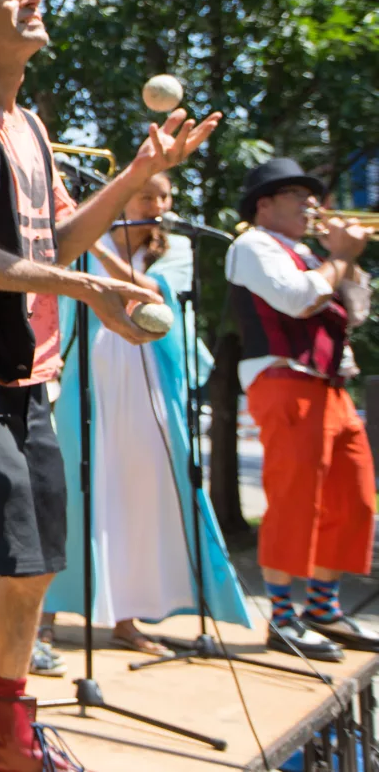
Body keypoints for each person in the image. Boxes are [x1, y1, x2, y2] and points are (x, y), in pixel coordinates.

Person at [0, 0, 220, 772]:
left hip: (29, 376)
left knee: (32, 568)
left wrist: (136, 172)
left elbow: (60, 239)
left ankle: (7, 737)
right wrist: (89, 294)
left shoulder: (29, 126)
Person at [42, 171, 253, 657]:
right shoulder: (87, 242)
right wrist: (89, 238)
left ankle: (126, 620)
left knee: (136, 501)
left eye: (164, 196)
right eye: (146, 195)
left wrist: (96, 245)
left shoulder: (176, 250)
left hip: (149, 386)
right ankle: (46, 615)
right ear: (123, 199)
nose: (157, 203)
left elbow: (150, 294)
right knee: (74, 492)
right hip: (91, 381)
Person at [226, 157, 374, 661]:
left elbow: (357, 310)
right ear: (264, 205)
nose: (312, 204)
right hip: (285, 380)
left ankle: (322, 608)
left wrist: (346, 259)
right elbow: (293, 300)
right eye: (297, 194)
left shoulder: (310, 254)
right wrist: (337, 259)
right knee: (294, 500)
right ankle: (283, 619)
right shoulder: (251, 245)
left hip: (330, 385)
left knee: (354, 498)